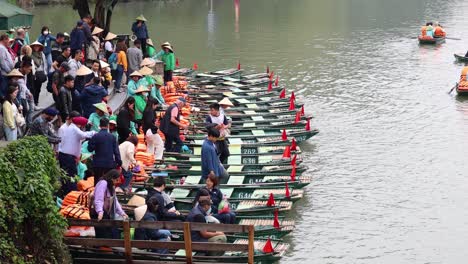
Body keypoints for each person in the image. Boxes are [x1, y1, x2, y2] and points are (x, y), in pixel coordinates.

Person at [58, 115, 95, 195]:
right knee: (70, 175)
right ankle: (71, 193)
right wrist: (94, 132)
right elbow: (84, 135)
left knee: (67, 175)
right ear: (80, 124)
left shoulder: (72, 127)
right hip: (67, 157)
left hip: (66, 155)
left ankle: (67, 192)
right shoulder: (74, 129)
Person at [91, 169, 128, 239]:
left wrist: (122, 213)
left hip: (106, 213)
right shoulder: (103, 183)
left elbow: (115, 201)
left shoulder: (111, 187)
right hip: (99, 213)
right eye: (116, 180)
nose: (117, 182)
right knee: (103, 234)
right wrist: (100, 212)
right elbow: (99, 199)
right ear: (111, 178)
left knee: (112, 233)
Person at [88, 118, 122, 182]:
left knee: (98, 183)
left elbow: (90, 149)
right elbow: (116, 152)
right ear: (108, 126)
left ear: (99, 125)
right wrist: (119, 162)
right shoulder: (112, 137)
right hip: (109, 163)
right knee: (108, 183)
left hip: (98, 164)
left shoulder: (96, 136)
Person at [16, 59, 34, 125]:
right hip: (19, 96)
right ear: (24, 67)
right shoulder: (17, 75)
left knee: (28, 109)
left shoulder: (24, 73)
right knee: (24, 110)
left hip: (23, 94)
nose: (30, 71)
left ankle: (27, 123)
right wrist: (28, 93)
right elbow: (23, 85)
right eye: (29, 69)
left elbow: (24, 85)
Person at [30, 41, 48, 105]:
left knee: (38, 88)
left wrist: (45, 72)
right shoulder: (30, 54)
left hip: (40, 73)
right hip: (33, 73)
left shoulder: (41, 54)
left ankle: (36, 101)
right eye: (35, 46)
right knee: (33, 88)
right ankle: (32, 102)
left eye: (38, 46)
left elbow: (44, 63)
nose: (36, 47)